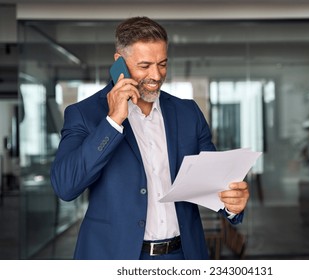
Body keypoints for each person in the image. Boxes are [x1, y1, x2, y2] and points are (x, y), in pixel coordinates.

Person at [50, 16, 250, 260]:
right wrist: (112, 122)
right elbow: (66, 186)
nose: (156, 75)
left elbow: (213, 183)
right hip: (115, 258)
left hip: (182, 256)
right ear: (119, 63)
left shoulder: (188, 113)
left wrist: (232, 203)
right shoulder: (85, 114)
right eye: (145, 66)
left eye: (162, 64)